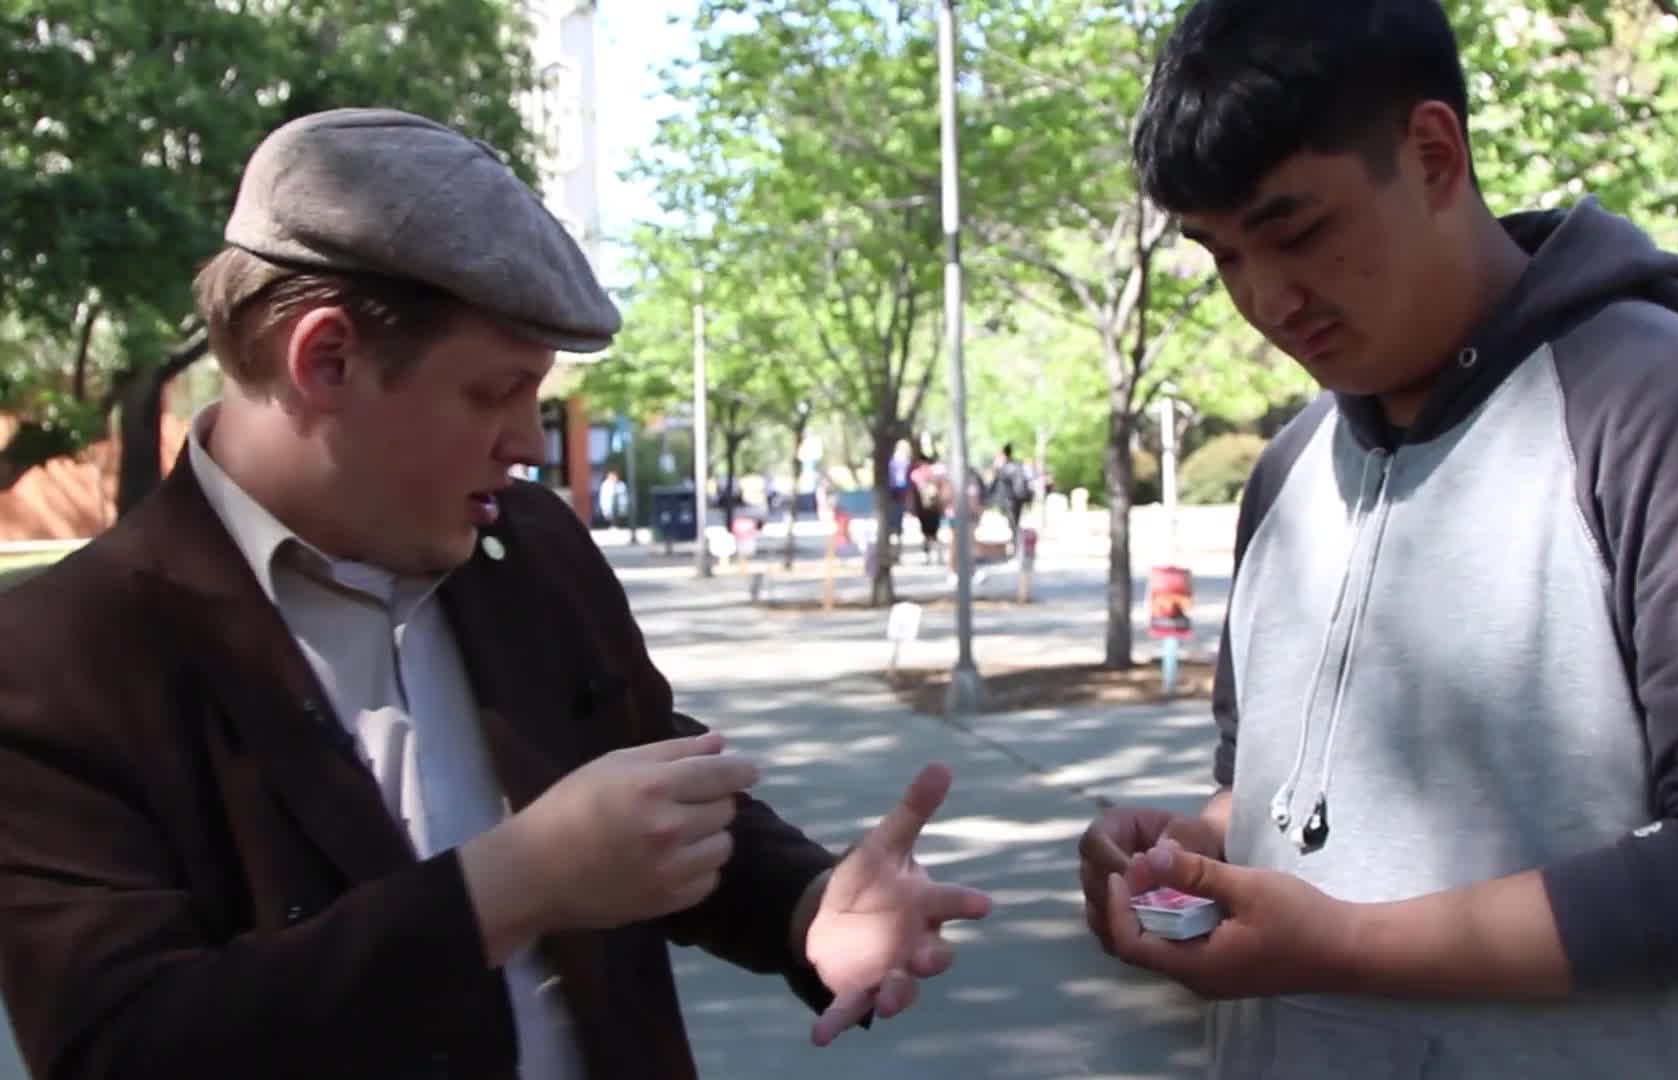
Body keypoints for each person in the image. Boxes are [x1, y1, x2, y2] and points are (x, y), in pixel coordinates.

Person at [0, 108, 992, 1080]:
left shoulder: (528, 545)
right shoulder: (58, 661)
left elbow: (645, 778)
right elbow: (120, 1043)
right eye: (494, 391)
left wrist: (808, 904)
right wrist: (507, 887)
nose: (528, 443)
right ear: (325, 360)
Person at [1077, 3, 1678, 1077]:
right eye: (1223, 255)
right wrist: (1197, 846)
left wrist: (1349, 948)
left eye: (1296, 231)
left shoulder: (1675, 416)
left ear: (1433, 153)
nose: (1266, 299)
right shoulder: (1287, 472)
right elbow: (1280, 797)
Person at [988, 443, 1033, 540]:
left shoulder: (1004, 468)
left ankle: (1015, 541)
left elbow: (994, 483)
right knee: (1014, 523)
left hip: (1009, 500)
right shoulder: (1017, 465)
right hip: (1018, 499)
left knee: (1012, 524)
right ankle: (1016, 541)